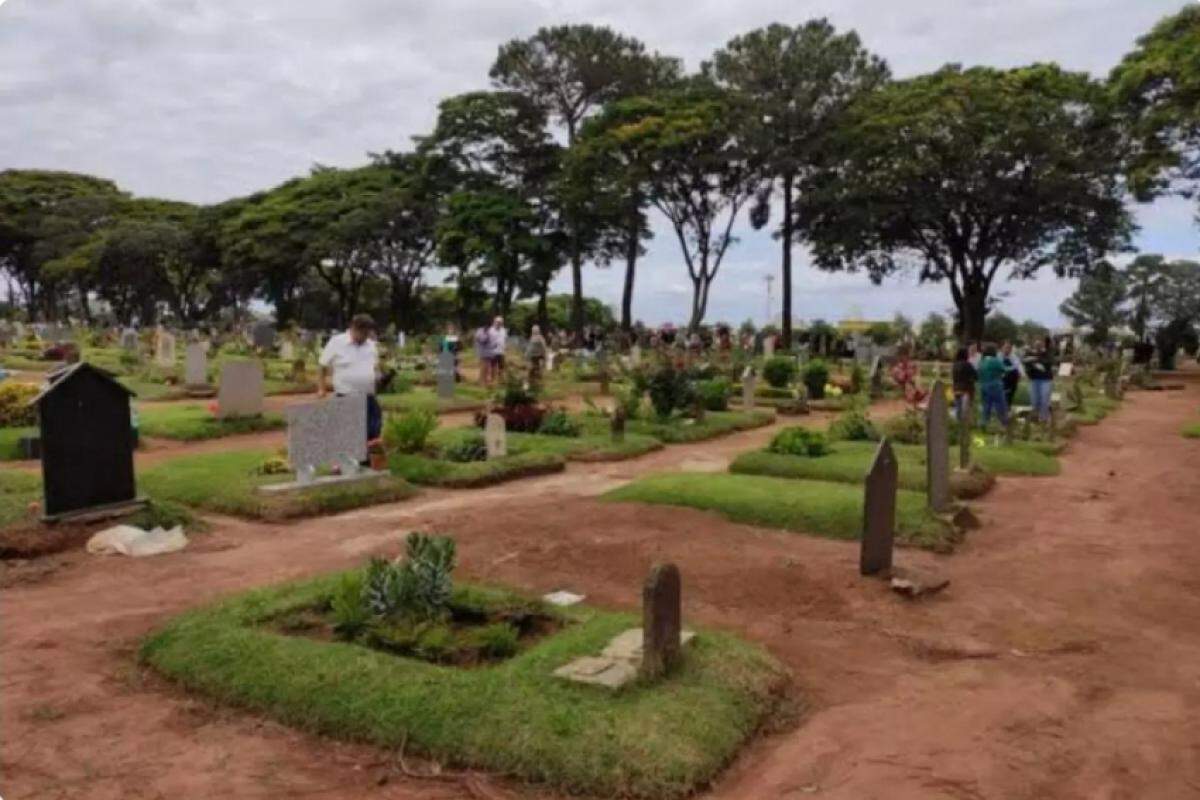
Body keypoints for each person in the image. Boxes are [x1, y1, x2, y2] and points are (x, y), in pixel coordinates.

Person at [318, 314, 382, 443]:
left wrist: (378, 376)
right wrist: (321, 388)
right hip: (346, 396)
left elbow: (375, 366)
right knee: (348, 433)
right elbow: (322, 366)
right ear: (353, 328)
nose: (365, 337)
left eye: (367, 334)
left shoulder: (371, 345)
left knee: (374, 429)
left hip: (368, 396)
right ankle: (348, 460)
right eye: (363, 334)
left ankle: (368, 460)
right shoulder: (337, 342)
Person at [1023, 337, 1056, 423]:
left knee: (1044, 399)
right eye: (1036, 344)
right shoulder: (1029, 353)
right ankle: (1036, 417)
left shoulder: (1047, 353)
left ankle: (1044, 419)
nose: (1037, 345)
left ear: (1042, 345)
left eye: (1039, 344)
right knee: (1034, 401)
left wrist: (1034, 359)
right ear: (1034, 345)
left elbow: (1049, 362)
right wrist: (1034, 363)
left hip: (1045, 380)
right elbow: (1025, 361)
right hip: (1034, 380)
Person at [977, 343, 1009, 428]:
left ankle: (984, 422)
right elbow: (1004, 369)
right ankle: (1005, 423)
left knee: (986, 405)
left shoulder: (982, 361)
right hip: (995, 384)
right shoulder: (995, 361)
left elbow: (978, 374)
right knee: (1000, 405)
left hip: (984, 385)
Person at [951, 346, 977, 422]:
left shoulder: (954, 365)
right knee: (966, 410)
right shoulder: (968, 365)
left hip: (956, 389)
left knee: (958, 408)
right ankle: (965, 425)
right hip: (967, 389)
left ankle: (958, 423)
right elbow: (975, 376)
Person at [1000, 341, 1022, 407]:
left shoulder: (1014, 357)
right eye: (1006, 347)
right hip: (1000, 381)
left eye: (1009, 348)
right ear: (1002, 348)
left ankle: (1007, 412)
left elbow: (1018, 367)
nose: (1007, 349)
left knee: (1008, 399)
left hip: (1011, 382)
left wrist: (1019, 373)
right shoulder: (998, 357)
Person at [487, 316, 507, 382]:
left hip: (501, 351)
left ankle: (501, 380)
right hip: (493, 351)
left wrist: (505, 347)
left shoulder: (503, 330)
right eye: (498, 322)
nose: (499, 323)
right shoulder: (490, 330)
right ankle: (492, 379)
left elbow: (504, 339)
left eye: (500, 322)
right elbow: (488, 340)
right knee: (493, 366)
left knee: (502, 367)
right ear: (494, 322)